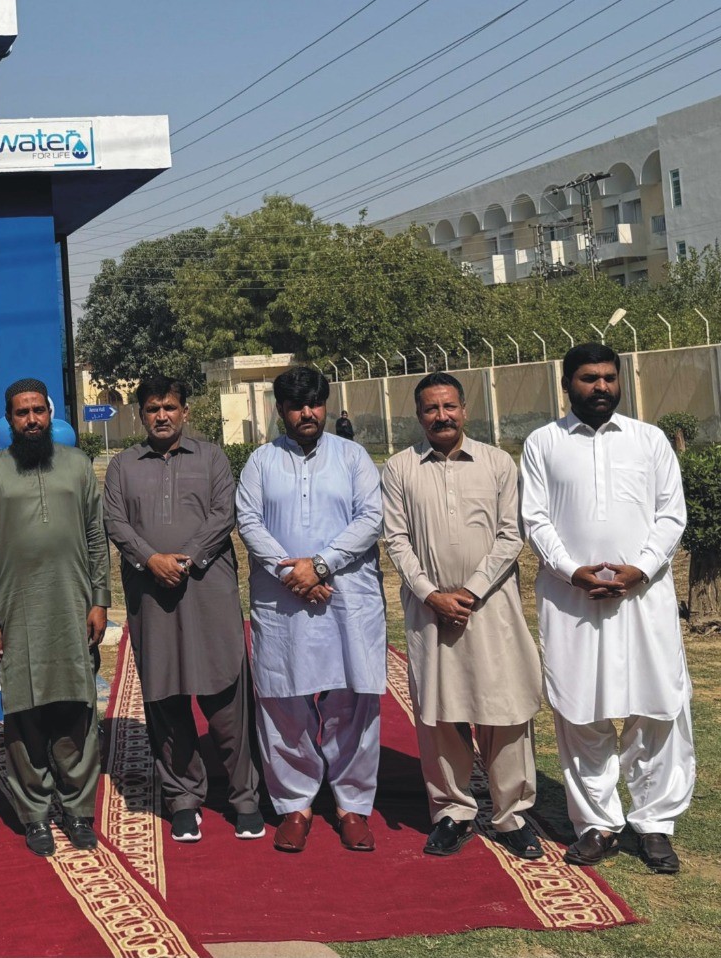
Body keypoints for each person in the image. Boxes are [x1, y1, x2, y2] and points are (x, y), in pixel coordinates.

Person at [521, 343, 694, 874]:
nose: (601, 387)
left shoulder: (650, 440)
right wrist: (572, 570)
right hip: (573, 601)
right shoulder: (542, 443)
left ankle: (656, 824)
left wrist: (638, 569)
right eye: (589, 378)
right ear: (567, 383)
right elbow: (535, 518)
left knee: (658, 707)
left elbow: (671, 515)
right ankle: (597, 823)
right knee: (581, 712)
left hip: (644, 599)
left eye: (609, 378)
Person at [381, 373, 544, 860]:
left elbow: (512, 535)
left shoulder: (496, 463)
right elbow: (396, 539)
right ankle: (453, 810)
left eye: (449, 406)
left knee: (505, 707)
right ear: (418, 417)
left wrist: (470, 591)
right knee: (440, 712)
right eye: (430, 409)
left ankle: (512, 814)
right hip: (430, 613)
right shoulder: (399, 468)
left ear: (465, 409)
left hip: (490, 608)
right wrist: (431, 594)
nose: (441, 416)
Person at [103, 377, 262, 844]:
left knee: (226, 696)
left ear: (185, 411)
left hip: (206, 589)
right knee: (166, 698)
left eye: (170, 407)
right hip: (152, 595)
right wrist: (151, 559)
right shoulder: (122, 466)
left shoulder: (211, 456)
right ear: (141, 414)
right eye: (152, 409)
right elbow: (115, 519)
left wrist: (187, 558)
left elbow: (223, 512)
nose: (161, 416)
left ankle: (244, 797)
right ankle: (183, 799)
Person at [236, 365, 387, 854]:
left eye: (315, 403)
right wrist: (291, 573)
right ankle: (295, 804)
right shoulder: (260, 461)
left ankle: (352, 805)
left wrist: (321, 566)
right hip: (282, 602)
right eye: (298, 406)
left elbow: (371, 517)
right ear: (281, 411)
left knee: (354, 698)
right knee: (283, 701)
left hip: (346, 596)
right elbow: (249, 522)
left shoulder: (353, 456)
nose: (308, 413)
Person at [0, 378, 111, 857]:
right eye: (21, 413)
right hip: (17, 611)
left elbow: (97, 535)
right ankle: (34, 813)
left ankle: (77, 809)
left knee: (76, 708)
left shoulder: (77, 466)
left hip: (73, 607)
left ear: (50, 414)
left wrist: (100, 600)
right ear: (8, 421)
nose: (31, 420)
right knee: (24, 713)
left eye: (38, 411)